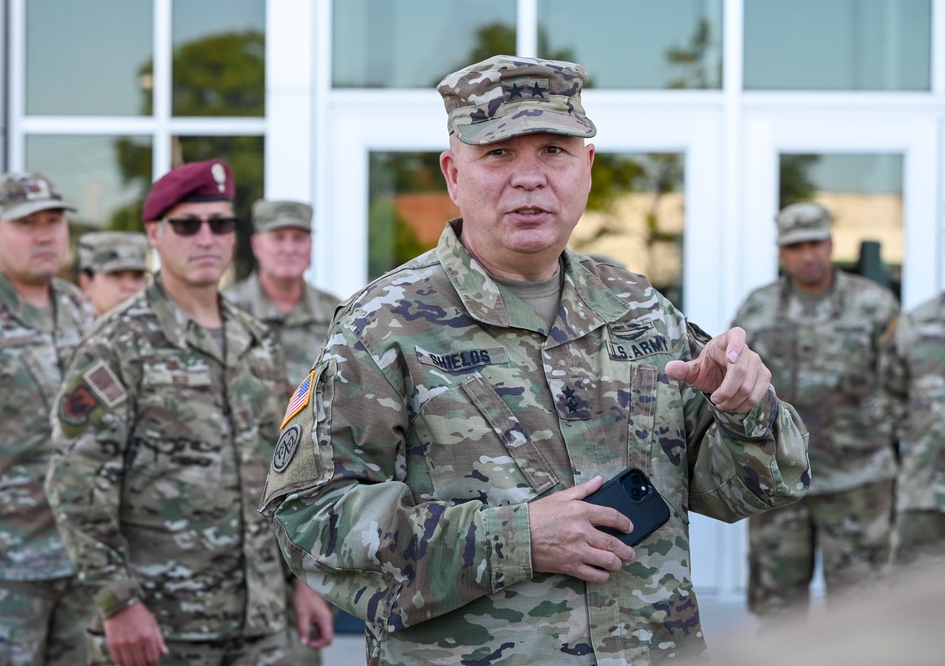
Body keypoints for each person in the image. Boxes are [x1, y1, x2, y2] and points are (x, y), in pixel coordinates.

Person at [260, 55, 810, 664]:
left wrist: (747, 412)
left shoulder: (638, 309)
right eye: (497, 153)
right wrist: (516, 539)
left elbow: (745, 490)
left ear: (587, 167)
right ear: (453, 174)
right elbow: (310, 521)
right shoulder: (382, 325)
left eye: (553, 150)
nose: (529, 178)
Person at [45, 159, 333, 666]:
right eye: (187, 224)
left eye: (220, 223)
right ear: (155, 233)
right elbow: (76, 486)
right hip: (160, 627)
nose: (207, 238)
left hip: (261, 624)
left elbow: (284, 473)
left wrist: (301, 582)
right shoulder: (116, 345)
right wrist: (118, 603)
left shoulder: (256, 341)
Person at [0, 172, 93, 664]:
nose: (45, 234)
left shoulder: (78, 308)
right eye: (27, 223)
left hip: (77, 567)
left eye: (53, 221)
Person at [732, 202, 899, 620]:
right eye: (795, 246)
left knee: (864, 612)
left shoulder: (875, 305)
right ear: (781, 252)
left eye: (815, 243)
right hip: (780, 481)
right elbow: (733, 383)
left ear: (830, 243)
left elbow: (904, 383)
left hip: (858, 482)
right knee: (778, 611)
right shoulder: (757, 309)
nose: (807, 255)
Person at [224, 200, 341, 390]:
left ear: (310, 246)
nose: (289, 249)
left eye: (298, 238)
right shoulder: (225, 310)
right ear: (256, 245)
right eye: (278, 238)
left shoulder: (336, 315)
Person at [880, 292, 945, 568]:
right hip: (925, 490)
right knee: (912, 593)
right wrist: (919, 438)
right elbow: (887, 395)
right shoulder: (916, 322)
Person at [77, 230, 149, 316]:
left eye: (138, 275)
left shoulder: (161, 326)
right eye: (116, 274)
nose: (130, 286)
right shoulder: (68, 327)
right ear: (86, 284)